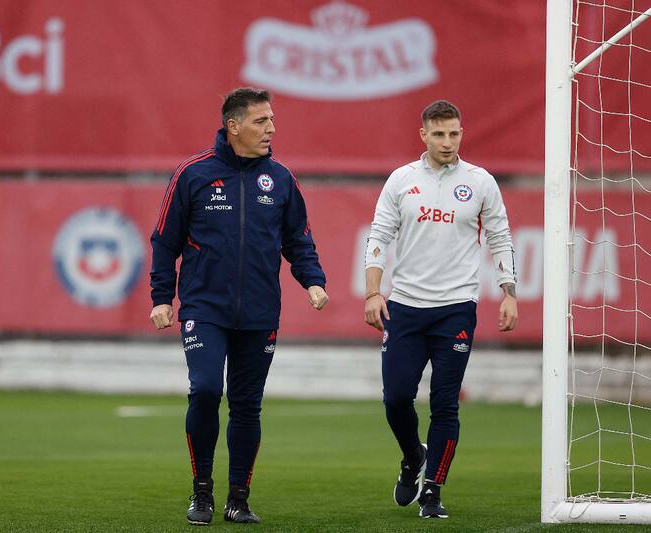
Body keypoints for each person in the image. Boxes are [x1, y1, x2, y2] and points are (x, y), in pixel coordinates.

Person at [150, 87, 328, 525]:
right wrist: (161, 298)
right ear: (234, 126)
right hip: (203, 309)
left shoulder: (281, 179)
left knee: (247, 406)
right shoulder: (192, 174)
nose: (271, 129)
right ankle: (202, 491)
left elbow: (298, 241)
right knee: (207, 390)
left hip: (260, 312)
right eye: (261, 121)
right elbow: (164, 241)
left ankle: (239, 499)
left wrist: (314, 281)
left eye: (272, 120)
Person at [363, 100, 518, 519]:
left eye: (453, 134)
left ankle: (432, 490)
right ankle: (414, 457)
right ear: (423, 136)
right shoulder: (401, 180)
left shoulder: (480, 182)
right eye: (438, 134)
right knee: (395, 399)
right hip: (406, 307)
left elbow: (500, 237)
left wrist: (508, 292)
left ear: (461, 133)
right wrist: (373, 293)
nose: (447, 142)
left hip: (456, 309)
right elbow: (378, 236)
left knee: (445, 404)